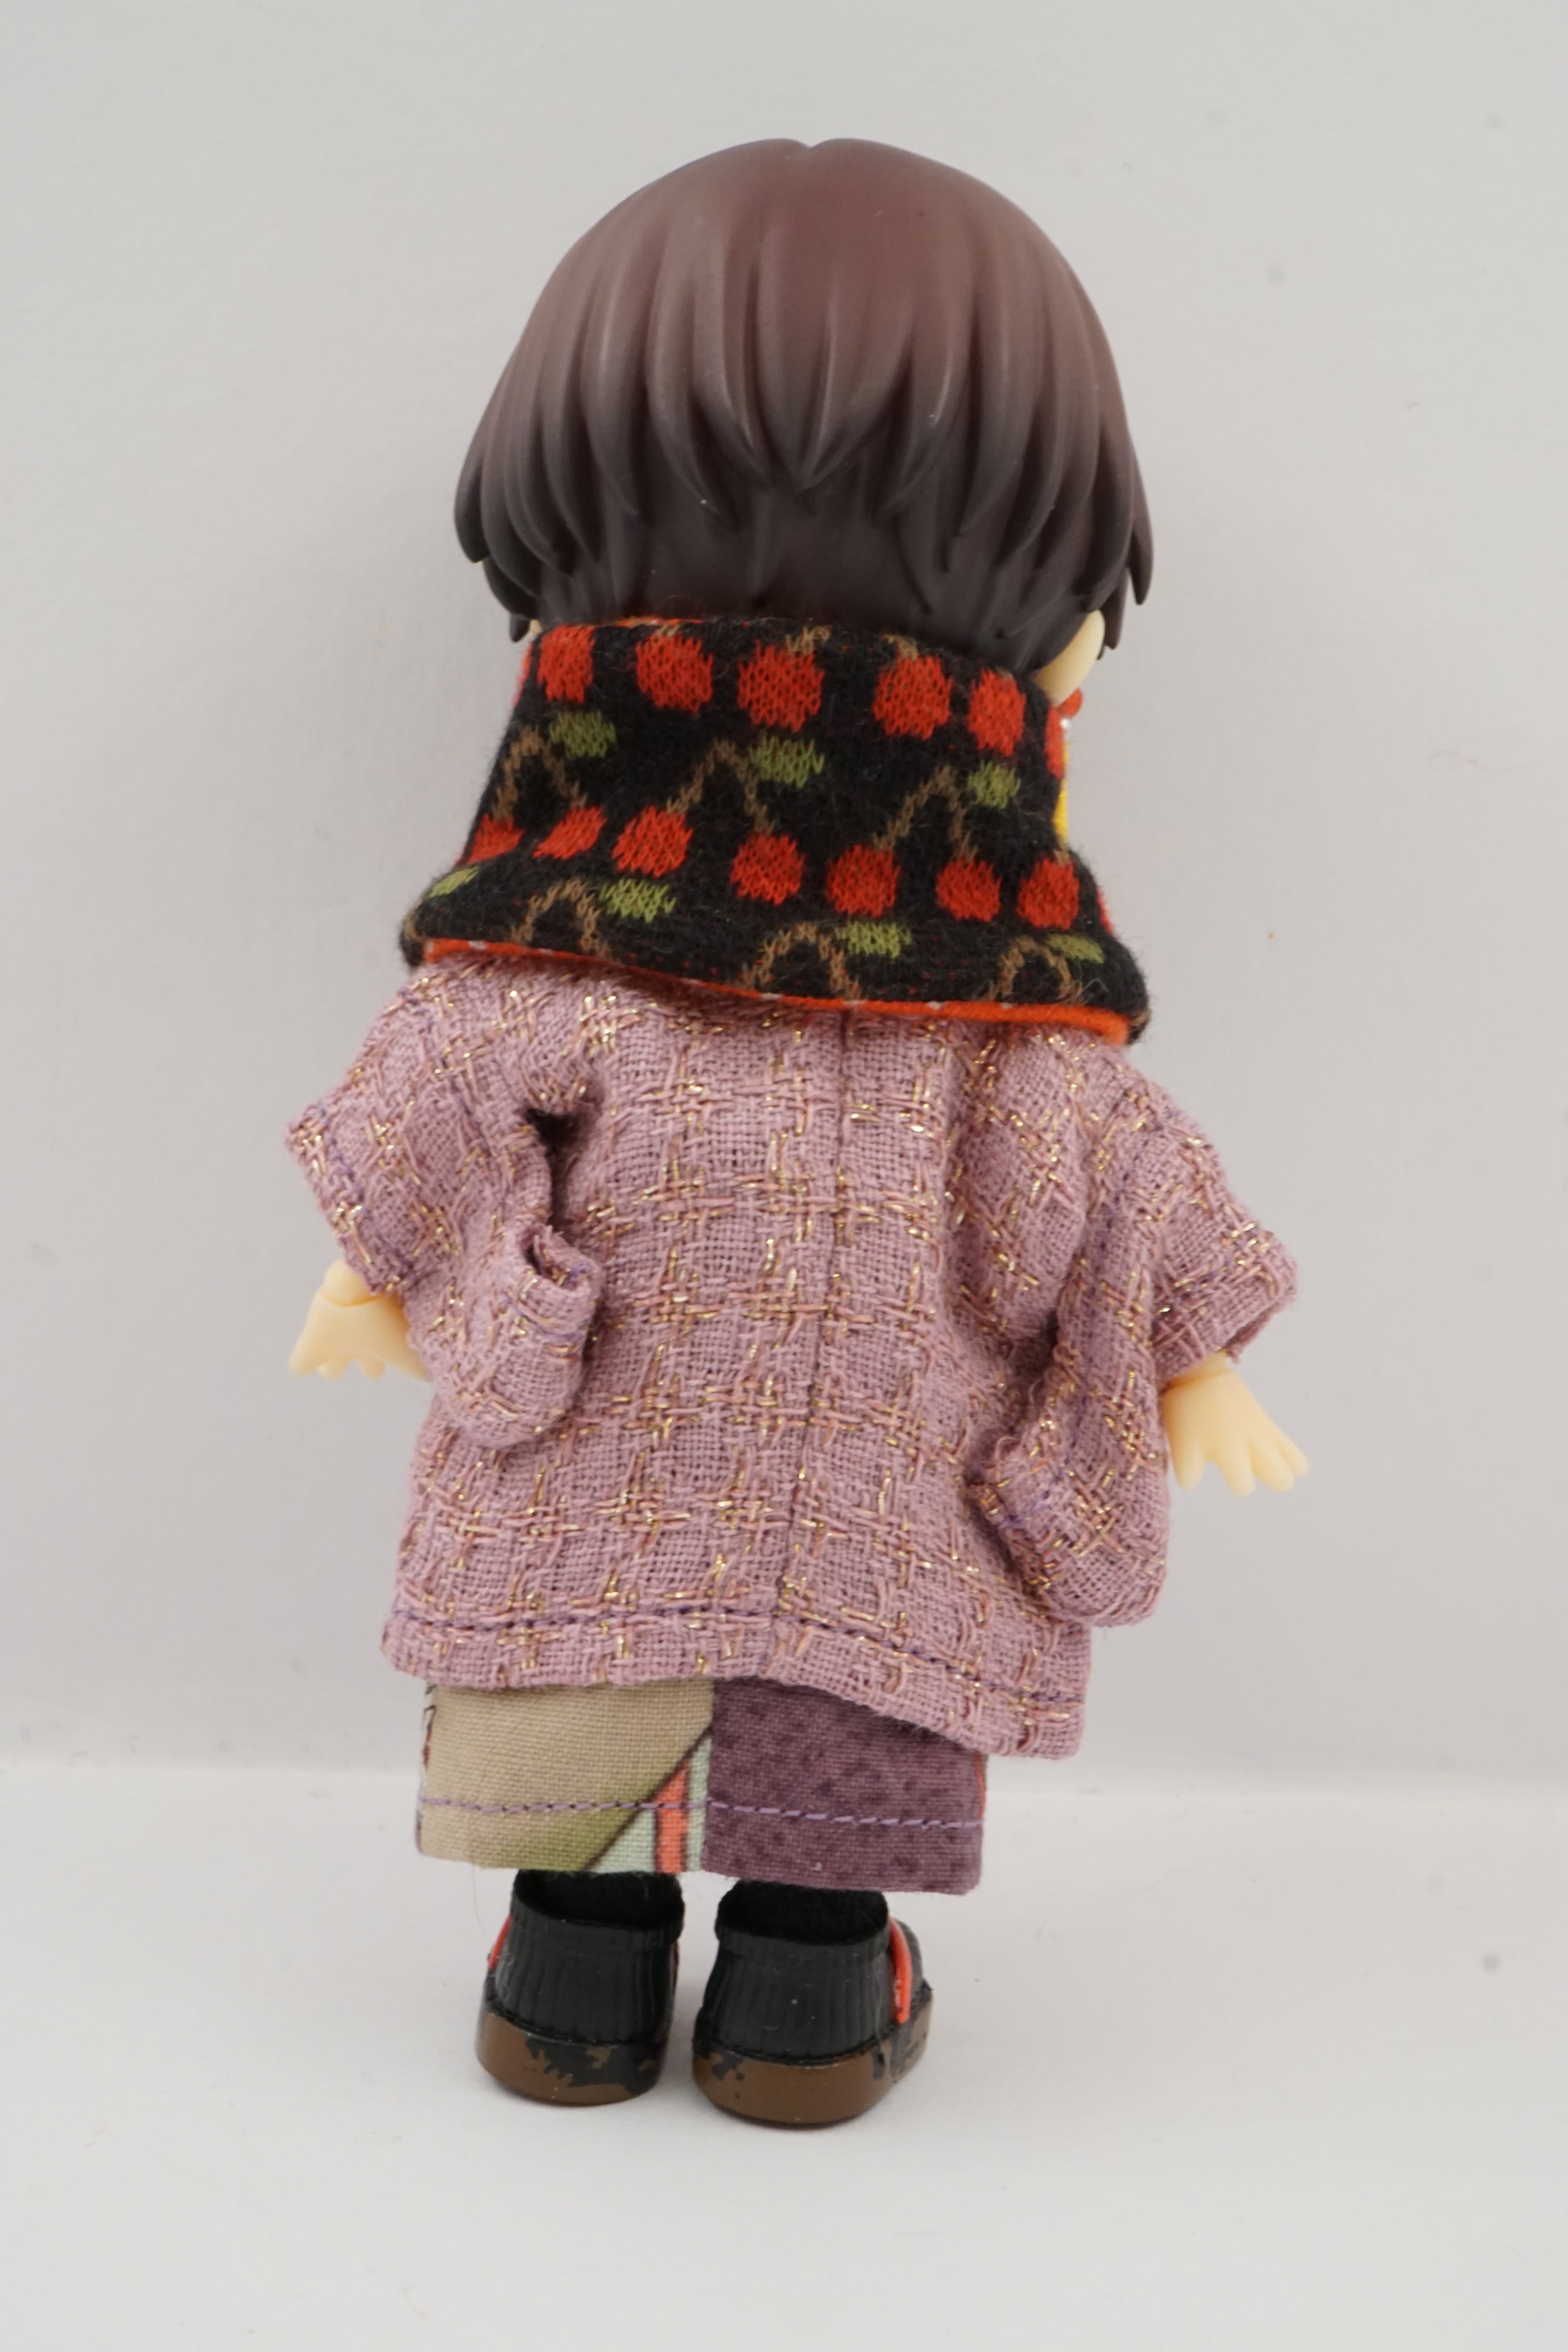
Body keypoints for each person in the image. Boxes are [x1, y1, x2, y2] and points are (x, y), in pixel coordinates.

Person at [287, 139, 1304, 2127]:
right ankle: (809, 1997)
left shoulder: (563, 930)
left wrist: (382, 1263)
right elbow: (1097, 1160)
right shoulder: (994, 992)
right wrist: (1184, 1358)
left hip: (594, 1470)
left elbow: (449, 1073)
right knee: (848, 1718)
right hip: (878, 1499)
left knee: (582, 1709)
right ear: (1048, 639)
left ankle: (570, 1978)